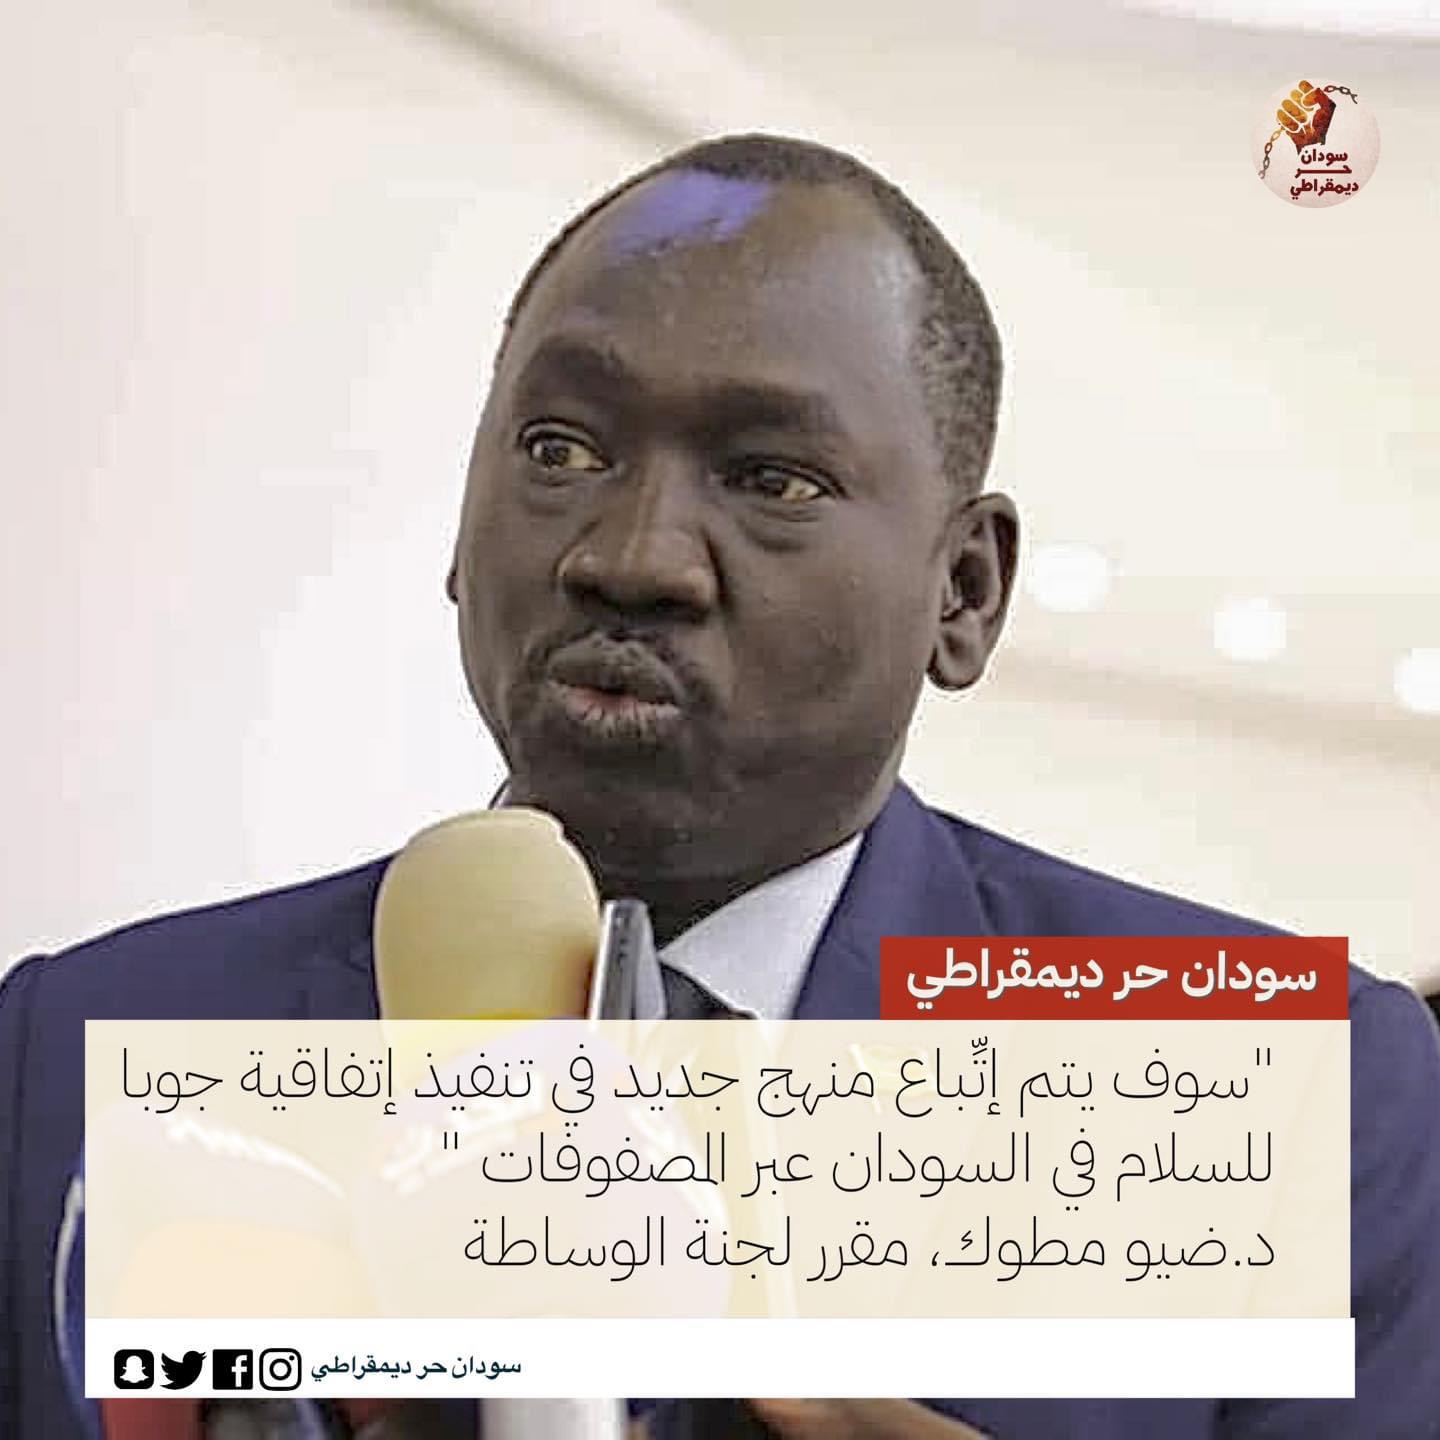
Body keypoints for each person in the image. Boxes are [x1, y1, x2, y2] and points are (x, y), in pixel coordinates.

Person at [3, 134, 1438, 1440]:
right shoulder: (86, 1049)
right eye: (560, 450)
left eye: (771, 477)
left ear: (963, 591)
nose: (631, 556)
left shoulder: (1299, 1089)